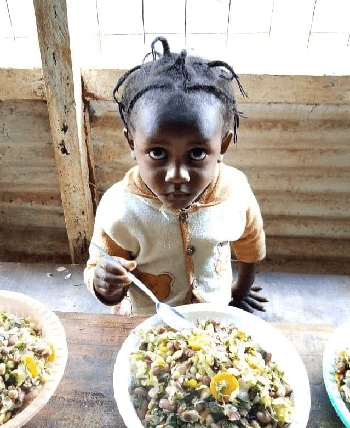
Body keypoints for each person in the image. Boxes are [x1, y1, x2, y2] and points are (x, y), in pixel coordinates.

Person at [84, 36, 267, 316]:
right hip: (147, 321)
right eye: (157, 153)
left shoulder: (235, 192)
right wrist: (104, 284)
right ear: (132, 144)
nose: (177, 176)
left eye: (196, 154)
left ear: (223, 146)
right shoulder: (119, 210)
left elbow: (250, 244)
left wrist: (240, 291)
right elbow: (102, 274)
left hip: (212, 316)